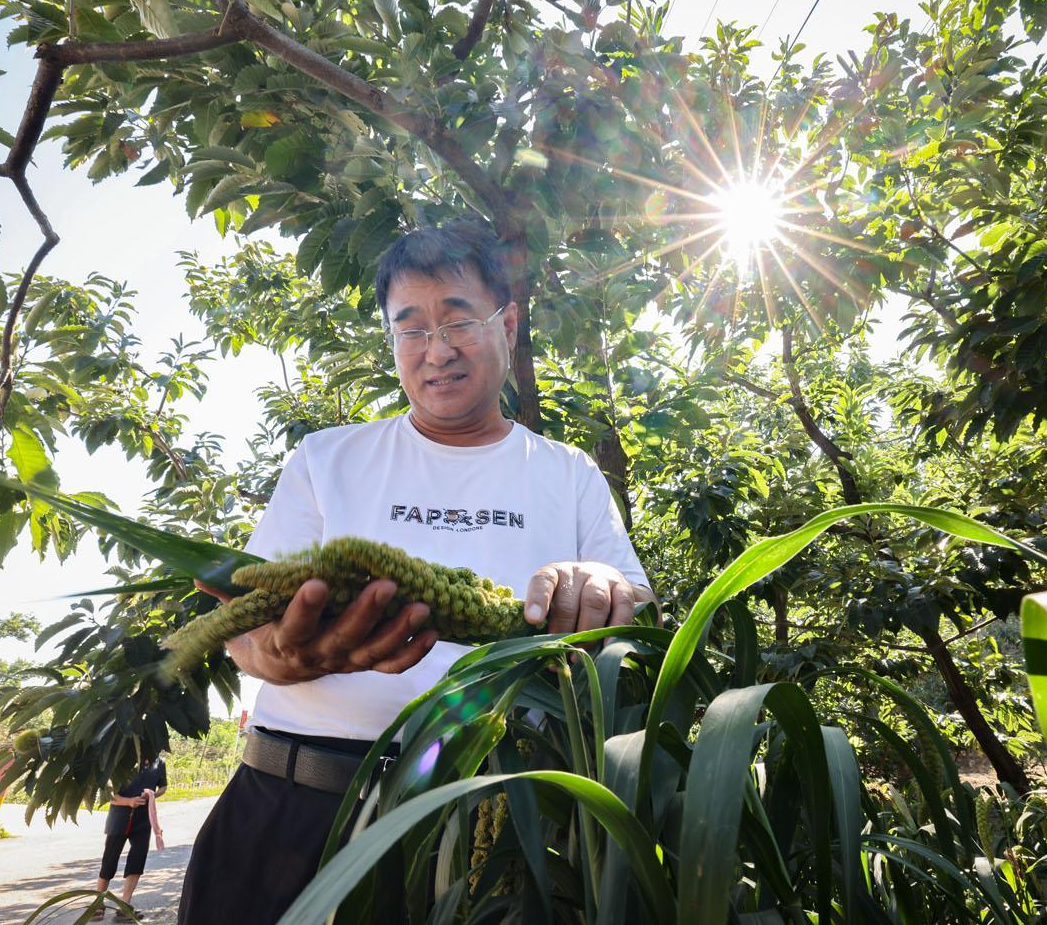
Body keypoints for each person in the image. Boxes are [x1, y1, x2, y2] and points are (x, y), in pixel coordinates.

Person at [178, 217, 652, 924]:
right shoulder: (325, 459)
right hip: (296, 811)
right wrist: (277, 656)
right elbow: (249, 629)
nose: (436, 351)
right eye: (411, 328)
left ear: (509, 324)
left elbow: (631, 601)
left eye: (459, 321)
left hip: (489, 826)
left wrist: (605, 592)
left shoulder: (568, 474)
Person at [96, 756, 166, 921]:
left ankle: (124, 907)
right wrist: (128, 801)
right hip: (119, 818)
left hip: (143, 819)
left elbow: (163, 786)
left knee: (137, 861)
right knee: (109, 862)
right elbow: (108, 792)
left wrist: (152, 795)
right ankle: (97, 904)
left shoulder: (159, 762)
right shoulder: (121, 757)